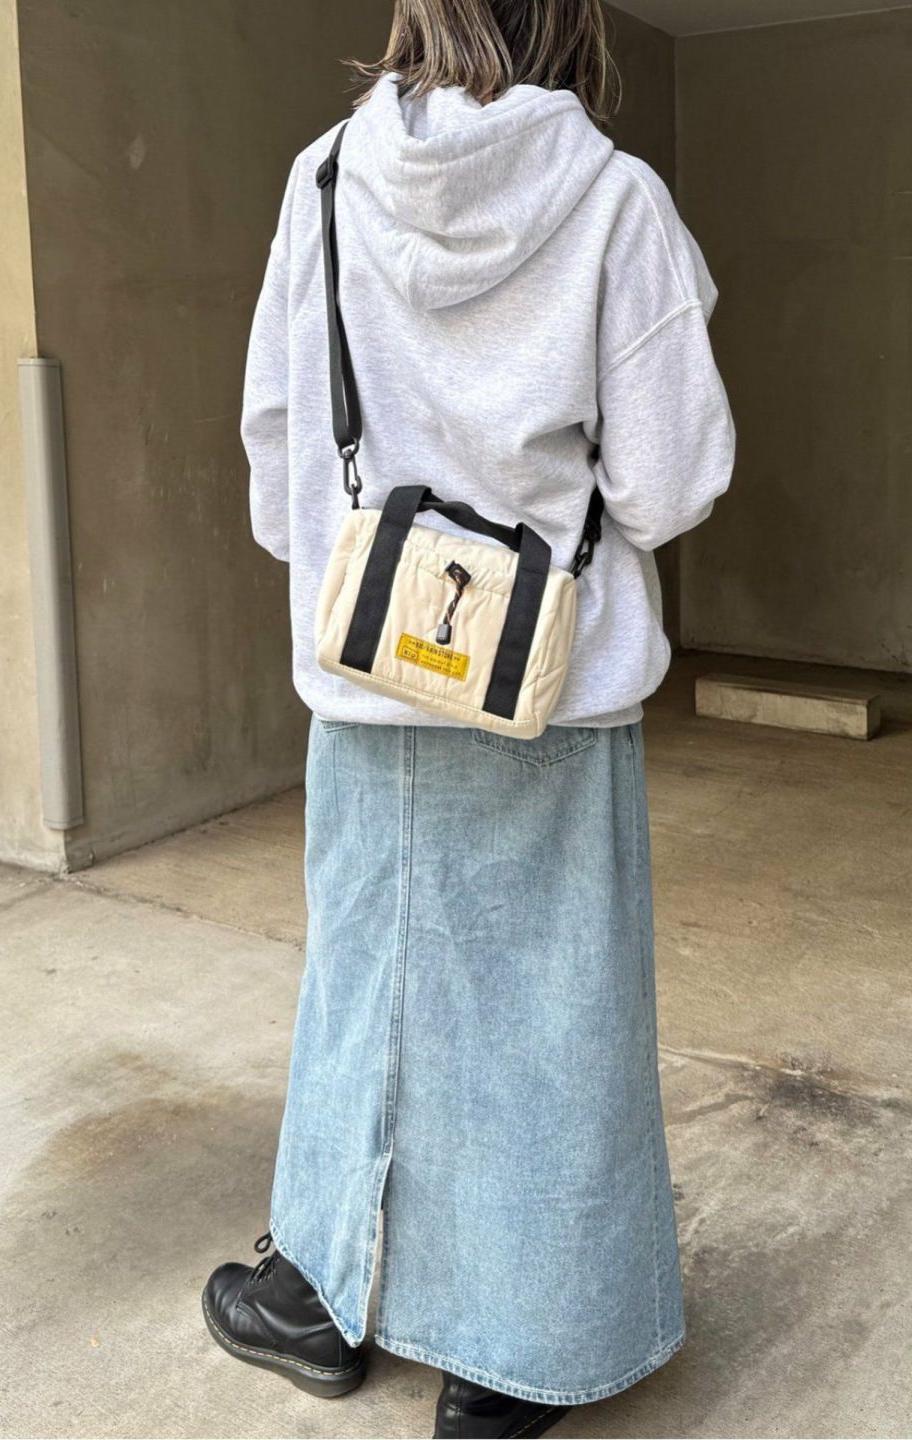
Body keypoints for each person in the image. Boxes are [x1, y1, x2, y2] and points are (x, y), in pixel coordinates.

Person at [203, 1, 735, 1435]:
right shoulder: (617, 199)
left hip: (368, 671)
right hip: (548, 687)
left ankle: (322, 1294)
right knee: (550, 1015)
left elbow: (276, 442)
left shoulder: (323, 180)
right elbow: (670, 482)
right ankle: (510, 1364)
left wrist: (350, 568)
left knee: (364, 990)